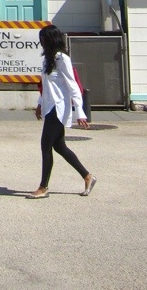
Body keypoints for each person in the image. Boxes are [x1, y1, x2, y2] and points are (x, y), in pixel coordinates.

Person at [29, 25, 96, 199]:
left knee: (45, 145)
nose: (41, 42)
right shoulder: (48, 60)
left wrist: (80, 112)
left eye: (44, 39)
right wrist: (39, 104)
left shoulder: (62, 59)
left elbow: (73, 86)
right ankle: (87, 176)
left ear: (51, 40)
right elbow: (46, 86)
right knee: (59, 146)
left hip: (59, 108)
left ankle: (43, 187)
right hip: (49, 106)